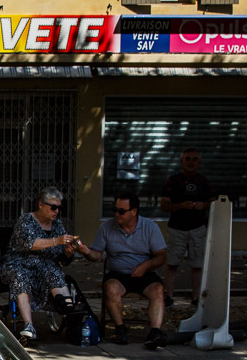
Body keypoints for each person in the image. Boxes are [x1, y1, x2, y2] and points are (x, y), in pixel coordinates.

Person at [75, 192, 168, 349]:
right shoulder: (107, 227)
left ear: (134, 211)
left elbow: (162, 256)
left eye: (122, 211)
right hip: (118, 274)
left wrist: (146, 265)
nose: (117, 214)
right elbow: (96, 254)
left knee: (157, 289)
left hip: (145, 273)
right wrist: (86, 252)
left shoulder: (150, 227)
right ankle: (120, 328)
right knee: (110, 287)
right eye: (115, 210)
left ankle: (155, 331)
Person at [0, 186, 77, 344]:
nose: (56, 211)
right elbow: (30, 244)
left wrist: (68, 251)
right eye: (53, 207)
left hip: (44, 266)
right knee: (21, 277)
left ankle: (69, 310)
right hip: (19, 263)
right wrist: (57, 241)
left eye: (59, 208)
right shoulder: (26, 221)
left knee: (53, 270)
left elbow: (62, 255)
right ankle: (29, 326)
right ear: (41, 204)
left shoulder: (57, 225)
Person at [159, 148, 216, 308]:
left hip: (197, 228)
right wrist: (181, 206)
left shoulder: (203, 181)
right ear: (182, 161)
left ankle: (196, 297)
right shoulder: (173, 180)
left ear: (199, 161)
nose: (191, 162)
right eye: (188, 159)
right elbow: (164, 205)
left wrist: (203, 205)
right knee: (172, 263)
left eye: (194, 159)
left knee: (197, 265)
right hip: (177, 228)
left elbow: (214, 203)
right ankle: (169, 296)